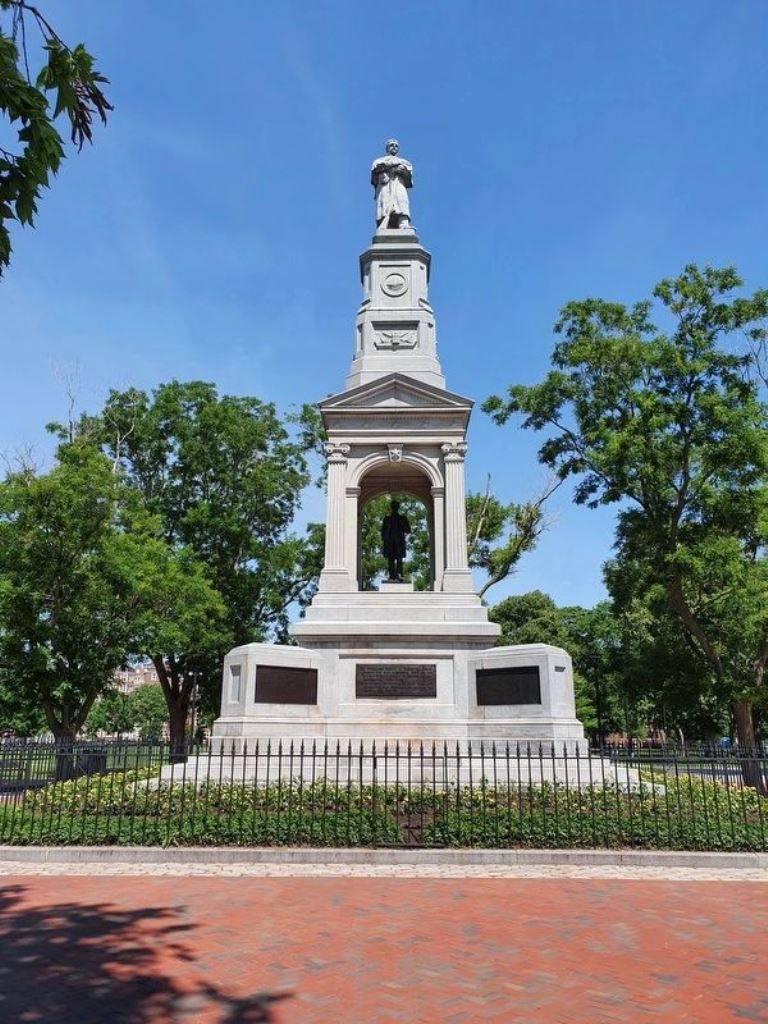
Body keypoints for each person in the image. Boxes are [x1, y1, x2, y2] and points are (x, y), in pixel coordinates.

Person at [371, 139, 413, 230]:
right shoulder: (378, 161)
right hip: (385, 187)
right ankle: (386, 224)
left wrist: (402, 170)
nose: (394, 147)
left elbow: (409, 178)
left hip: (399, 185)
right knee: (385, 205)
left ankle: (403, 223)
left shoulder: (405, 162)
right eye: (391, 145)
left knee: (401, 203)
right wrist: (390, 166)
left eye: (396, 146)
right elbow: (375, 172)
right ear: (387, 148)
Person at [381, 499, 411, 581]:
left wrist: (403, 524)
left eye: (396, 507)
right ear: (391, 508)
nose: (394, 508)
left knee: (399, 558)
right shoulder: (386, 519)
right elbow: (383, 532)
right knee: (390, 559)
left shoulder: (402, 518)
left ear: (398, 508)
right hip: (389, 541)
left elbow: (408, 530)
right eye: (393, 507)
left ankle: (399, 574)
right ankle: (391, 575)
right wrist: (384, 540)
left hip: (399, 541)